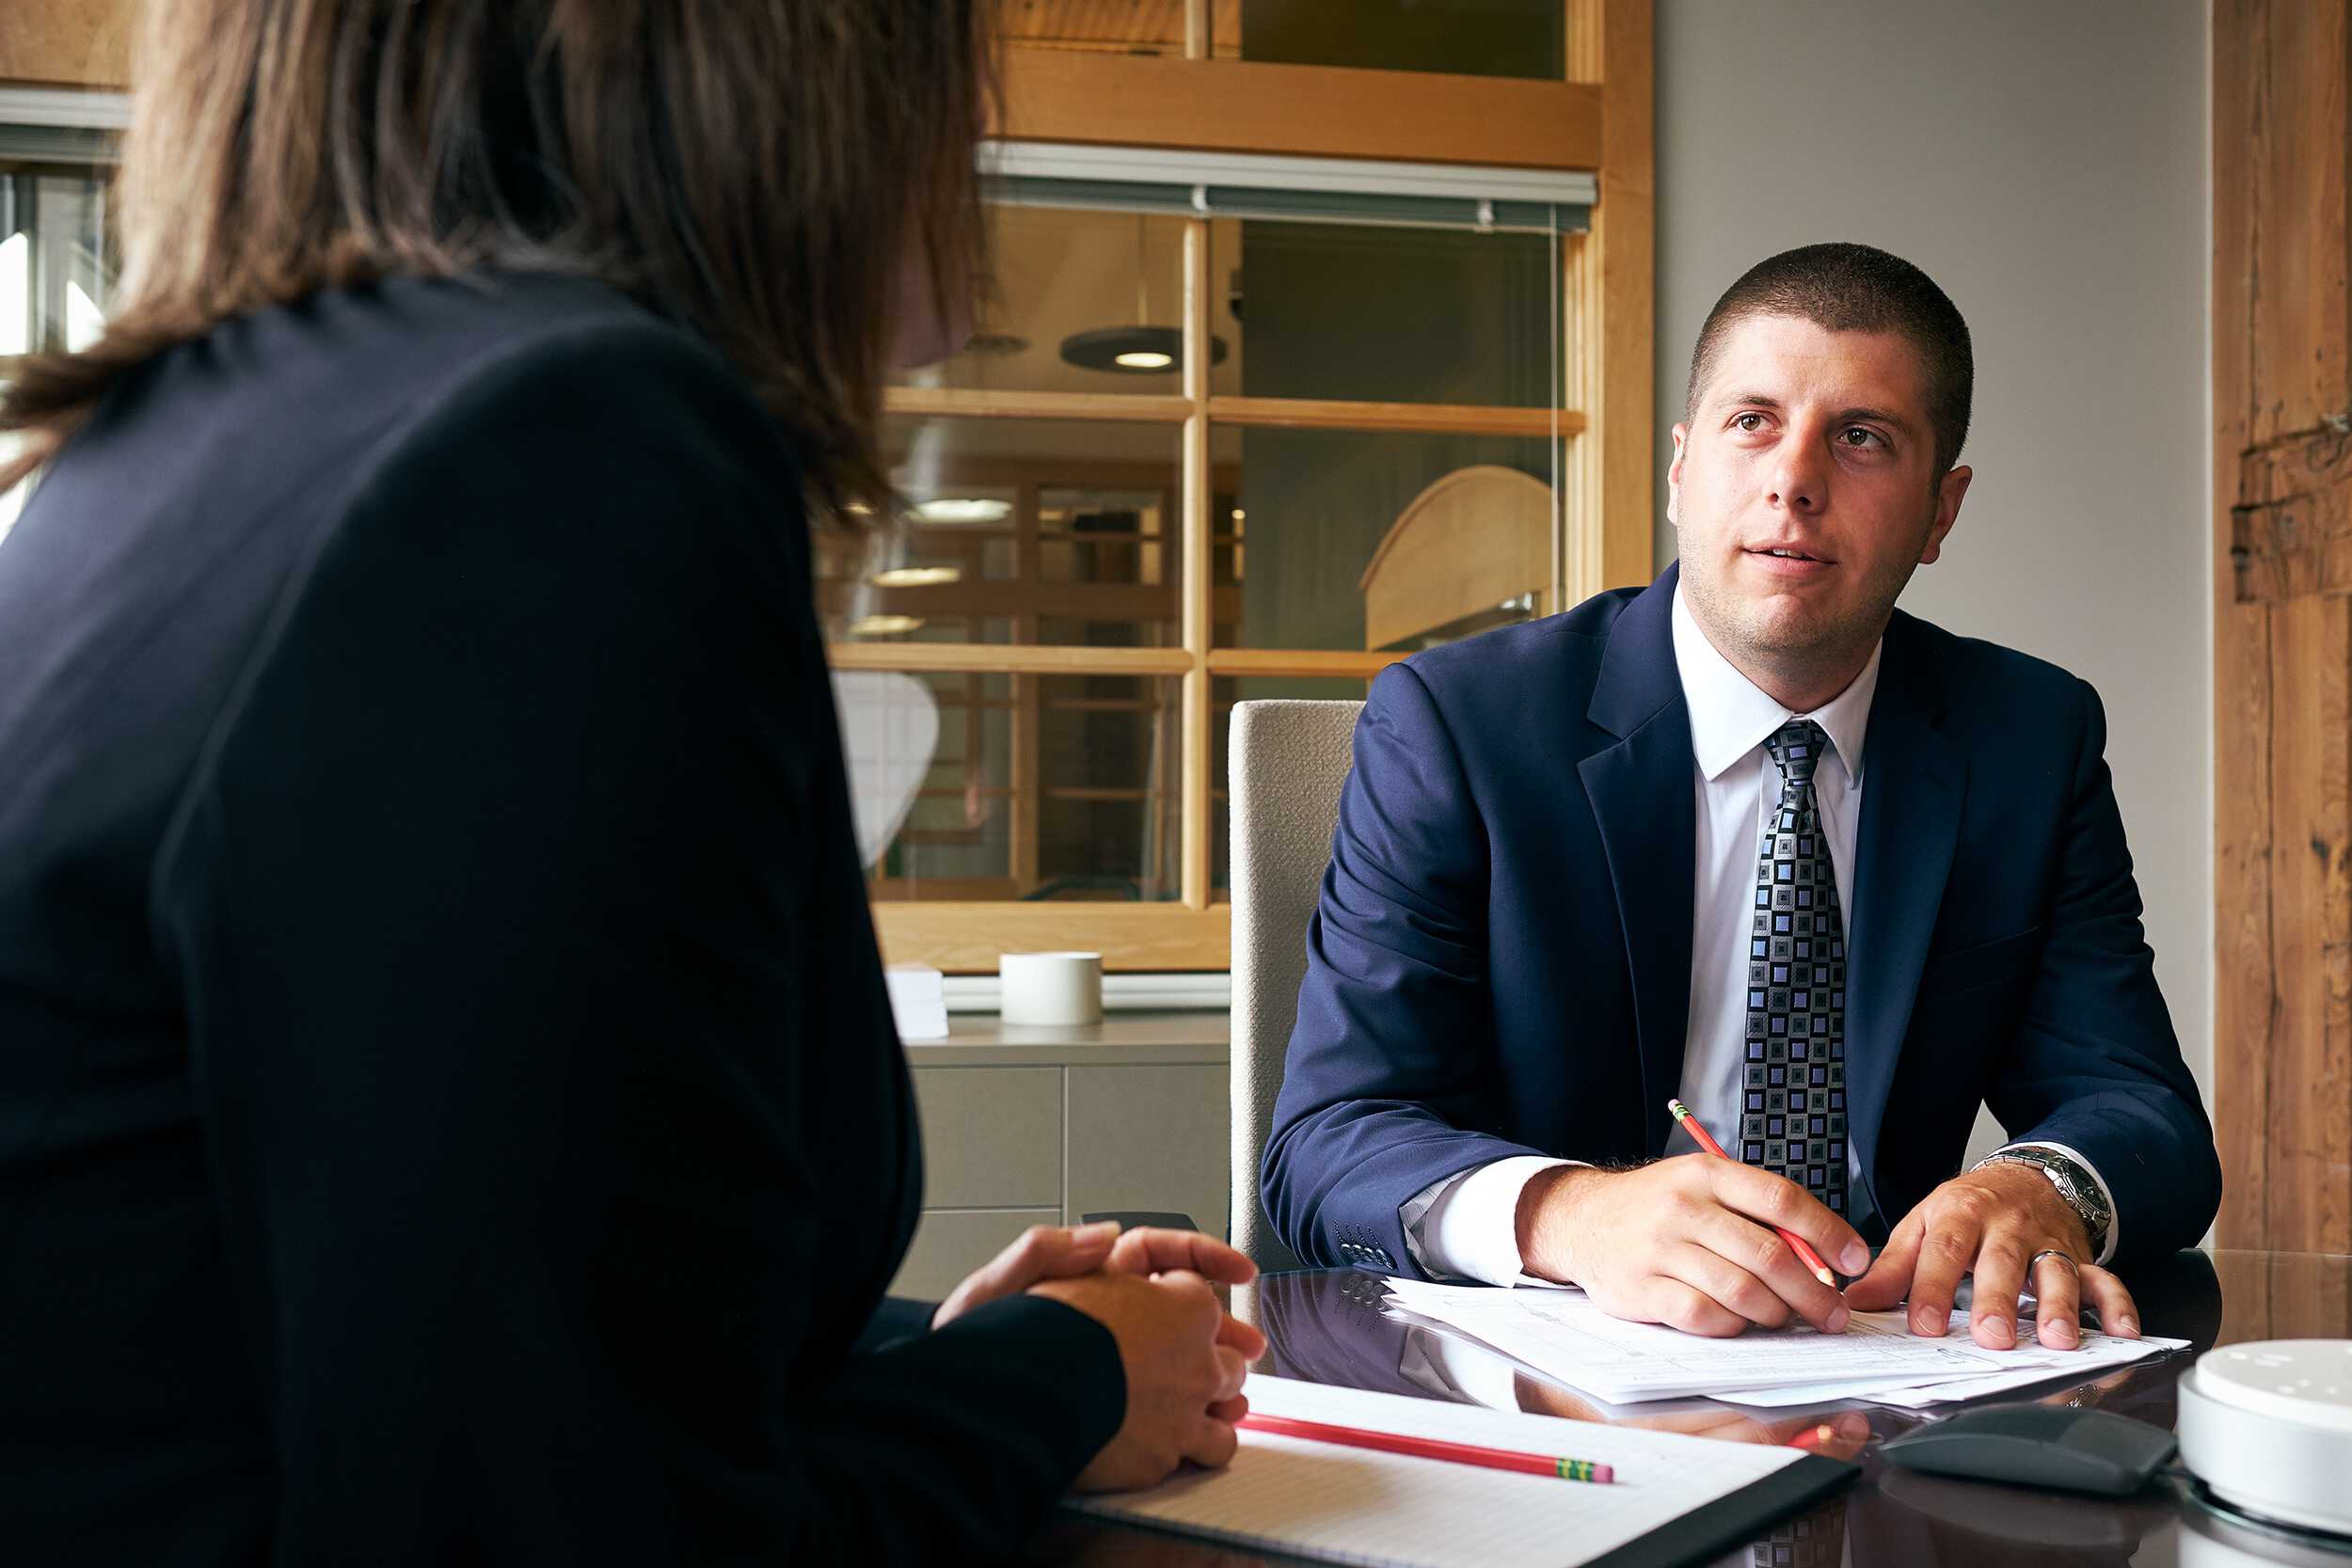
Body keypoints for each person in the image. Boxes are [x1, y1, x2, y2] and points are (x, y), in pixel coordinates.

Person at [0, 3, 1261, 1562]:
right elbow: (595, 1529)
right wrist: (1060, 1376)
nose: (961, 231)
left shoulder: (169, 453)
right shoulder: (550, 454)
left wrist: (903, 1357)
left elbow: (416, 1308)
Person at [1262, 243, 2218, 1355]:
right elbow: (1328, 1138)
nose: (1793, 481)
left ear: (1940, 511)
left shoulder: (2027, 737)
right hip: (1556, 1370)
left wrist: (2045, 1184)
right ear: (1680, 469)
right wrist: (1568, 1212)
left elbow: (2141, 1111)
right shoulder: (1456, 727)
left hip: (1896, 1361)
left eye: (1862, 438)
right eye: (1751, 421)